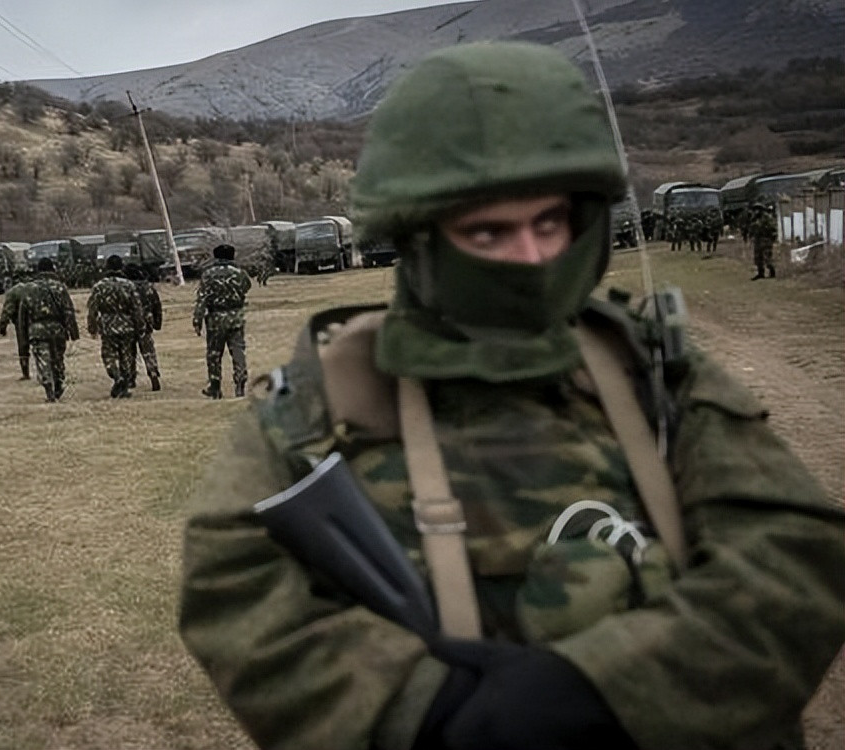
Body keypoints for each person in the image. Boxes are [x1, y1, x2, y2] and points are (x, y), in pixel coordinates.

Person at [178, 42, 845, 750]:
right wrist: (428, 710)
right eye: (489, 231)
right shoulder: (321, 402)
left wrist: (602, 689)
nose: (530, 257)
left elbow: (794, 553)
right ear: (418, 237)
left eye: (549, 224)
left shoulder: (646, 367)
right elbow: (235, 591)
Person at [192, 244, 251, 399]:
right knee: (238, 351)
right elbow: (246, 287)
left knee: (214, 354)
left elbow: (202, 299)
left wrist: (197, 320)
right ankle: (240, 383)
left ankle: (215, 387)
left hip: (216, 319)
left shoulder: (208, 274)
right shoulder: (240, 273)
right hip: (235, 317)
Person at [18, 257, 79, 402]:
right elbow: (68, 310)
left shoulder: (29, 289)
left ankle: (49, 391)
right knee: (58, 359)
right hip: (57, 329)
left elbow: (23, 316)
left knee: (43, 361)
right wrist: (73, 332)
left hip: (37, 330)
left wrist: (23, 338)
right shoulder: (59, 287)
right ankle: (59, 383)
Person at [86, 255, 147, 398]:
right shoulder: (128, 285)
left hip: (107, 326)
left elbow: (92, 310)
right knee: (126, 355)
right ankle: (124, 385)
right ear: (121, 267)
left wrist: (92, 328)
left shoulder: (99, 286)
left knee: (108, 355)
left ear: (107, 267)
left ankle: (116, 375)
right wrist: (140, 326)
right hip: (127, 325)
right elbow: (137, 309)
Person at [124, 265, 163, 391]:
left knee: (129, 352)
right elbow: (157, 306)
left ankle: (130, 379)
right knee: (148, 350)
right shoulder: (148, 287)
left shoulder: (125, 288)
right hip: (146, 322)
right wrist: (157, 323)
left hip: (128, 322)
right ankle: (153, 373)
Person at [0, 272, 34, 380]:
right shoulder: (35, 287)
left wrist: (2, 328)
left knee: (23, 348)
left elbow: (7, 311)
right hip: (38, 320)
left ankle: (25, 372)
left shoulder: (13, 291)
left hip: (21, 323)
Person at [750, 198, 778, 279]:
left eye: (757, 209)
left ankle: (772, 272)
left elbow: (772, 228)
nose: (756, 211)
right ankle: (760, 273)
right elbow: (752, 228)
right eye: (755, 209)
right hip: (758, 239)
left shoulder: (766, 217)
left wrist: (771, 237)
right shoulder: (755, 218)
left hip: (766, 239)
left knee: (767, 257)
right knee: (758, 257)